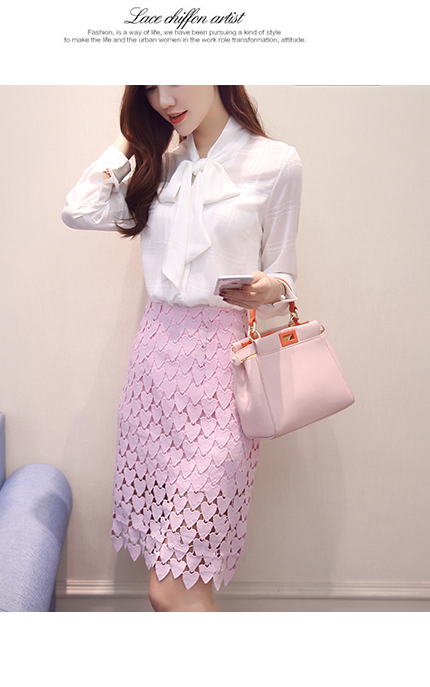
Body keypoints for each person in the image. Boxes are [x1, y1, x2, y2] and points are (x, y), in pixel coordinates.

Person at [62, 86, 302, 612]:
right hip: (153, 372)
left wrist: (268, 287)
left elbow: (284, 273)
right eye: (150, 86)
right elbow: (78, 210)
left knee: (170, 590)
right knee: (172, 586)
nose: (164, 98)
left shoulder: (276, 163)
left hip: (223, 374)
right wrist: (132, 140)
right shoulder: (159, 167)